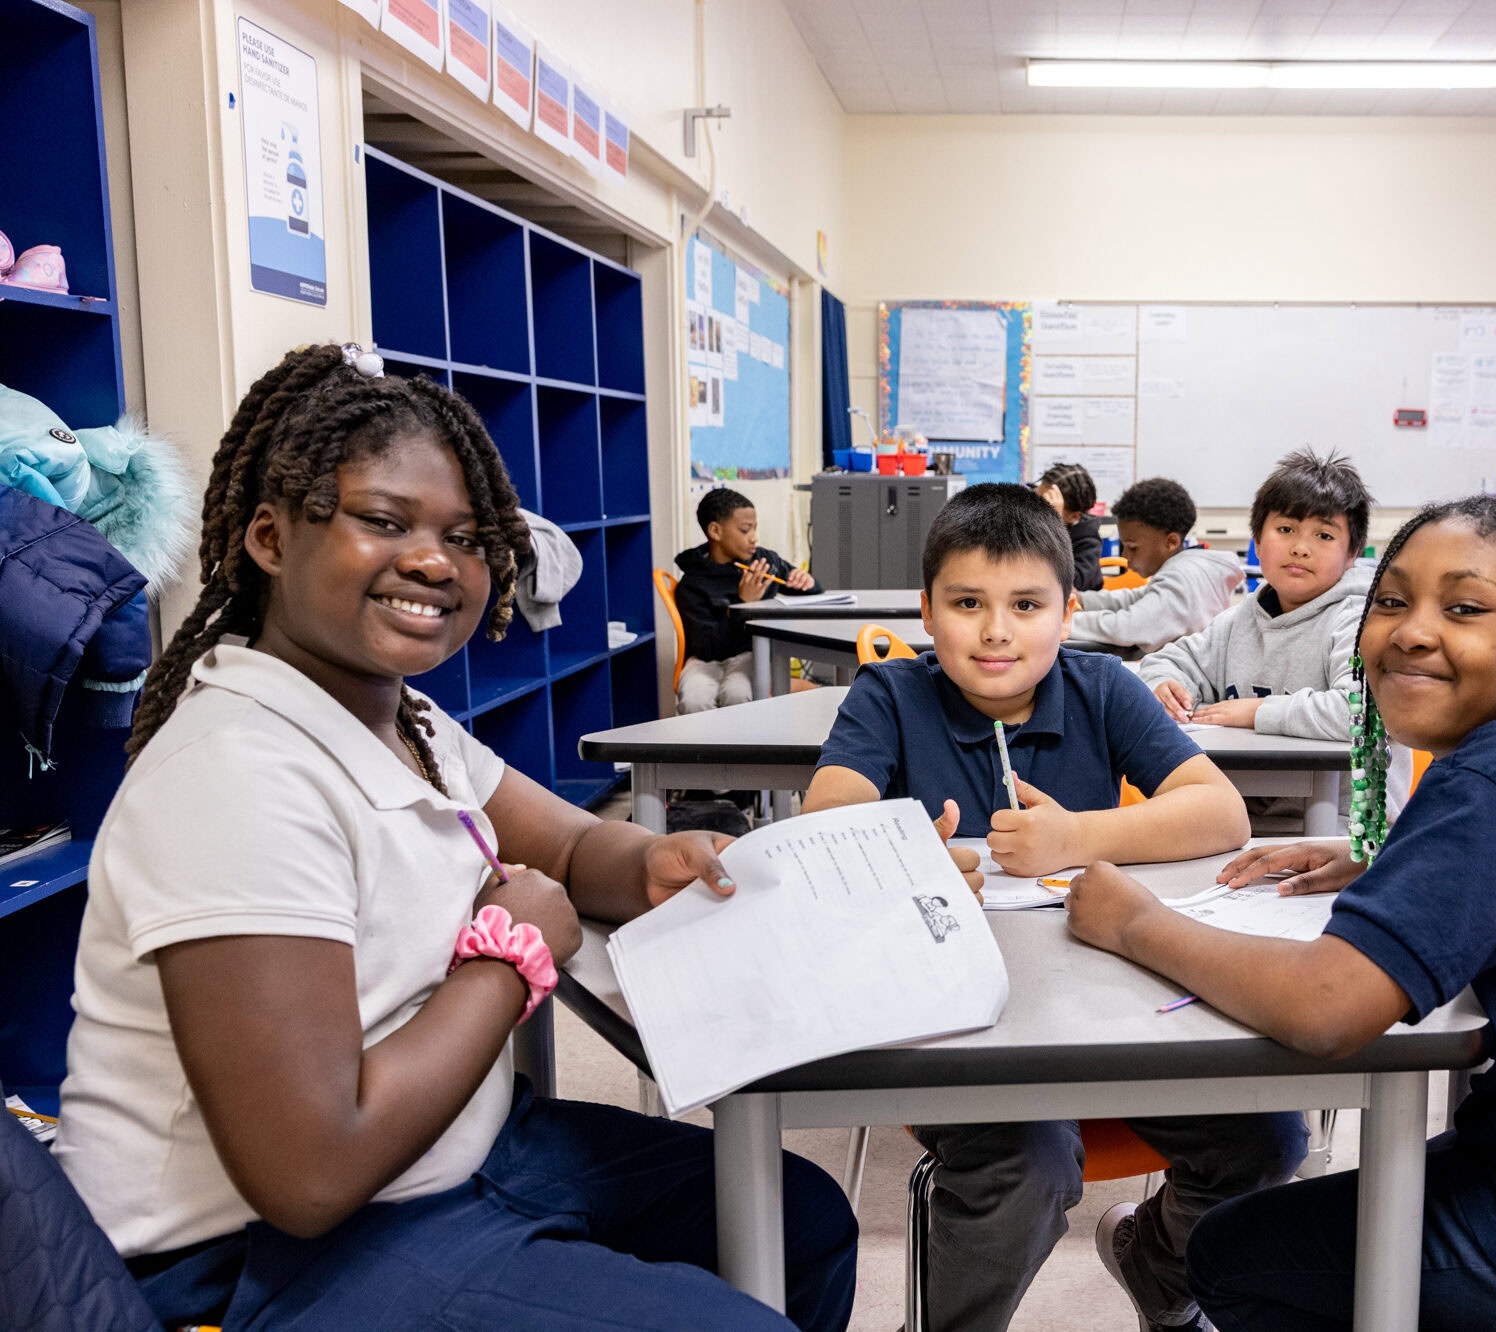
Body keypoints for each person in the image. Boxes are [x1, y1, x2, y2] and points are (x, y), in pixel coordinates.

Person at [51, 345, 857, 1331]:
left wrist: (651, 858)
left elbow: (565, 850)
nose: (436, 560)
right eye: (384, 522)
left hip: (452, 1145)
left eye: (469, 538)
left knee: (800, 1219)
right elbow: (308, 1171)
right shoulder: (238, 774)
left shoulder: (407, 724)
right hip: (256, 1251)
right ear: (269, 537)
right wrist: (509, 962)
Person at [1067, 495, 1496, 1330]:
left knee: (1234, 1257)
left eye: (1463, 608)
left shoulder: (1495, 778)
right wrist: (1381, 861)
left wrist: (1133, 923)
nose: (1410, 631)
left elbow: (1328, 1008)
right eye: (1390, 601)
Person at [805, 484, 1302, 1332]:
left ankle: (1156, 1267)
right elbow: (827, 823)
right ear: (927, 611)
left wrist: (1075, 839)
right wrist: (910, 864)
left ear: (1067, 613)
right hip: (966, 1023)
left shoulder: (1101, 687)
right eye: (967, 603)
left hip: (1105, 1013)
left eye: (1026, 605)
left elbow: (1220, 813)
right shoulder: (888, 695)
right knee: (1028, 1163)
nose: (996, 630)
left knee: (1265, 1141)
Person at [1138, 448, 1409, 823]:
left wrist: (1257, 712)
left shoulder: (1361, 620)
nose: (1300, 547)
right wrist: (1163, 682)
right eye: (1285, 530)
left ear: (1352, 555)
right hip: (1248, 819)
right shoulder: (1239, 620)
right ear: (1258, 541)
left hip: (1345, 829)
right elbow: (1168, 659)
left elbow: (1366, 713)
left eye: (1324, 535)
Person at [674, 487, 822, 711]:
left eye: (755, 528)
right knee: (695, 698)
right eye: (745, 530)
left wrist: (808, 582)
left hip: (752, 654)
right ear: (715, 531)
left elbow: (806, 589)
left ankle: (745, 747)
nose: (754, 537)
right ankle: (705, 748)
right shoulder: (692, 583)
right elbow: (707, 649)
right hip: (706, 659)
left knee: (739, 694)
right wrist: (743, 606)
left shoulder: (763, 561)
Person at [1072, 477, 1245, 654]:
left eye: (1132, 548)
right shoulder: (1187, 567)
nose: (1125, 556)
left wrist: (1061, 621)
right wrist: (1082, 600)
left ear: (1170, 542)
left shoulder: (1182, 577)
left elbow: (1129, 627)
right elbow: (1137, 598)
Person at [1036, 461, 1105, 591]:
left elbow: (1069, 585)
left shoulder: (1089, 542)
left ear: (1074, 516)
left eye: (1045, 506)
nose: (1034, 508)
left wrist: (1052, 524)